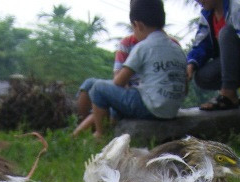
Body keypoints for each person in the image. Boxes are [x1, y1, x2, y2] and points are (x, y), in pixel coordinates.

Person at [74, 0, 187, 137]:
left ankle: (100, 134)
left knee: (98, 88)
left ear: (138, 25)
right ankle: (89, 132)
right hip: (172, 110)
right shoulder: (177, 49)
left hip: (150, 108)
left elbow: (119, 82)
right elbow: (185, 88)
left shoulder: (143, 46)